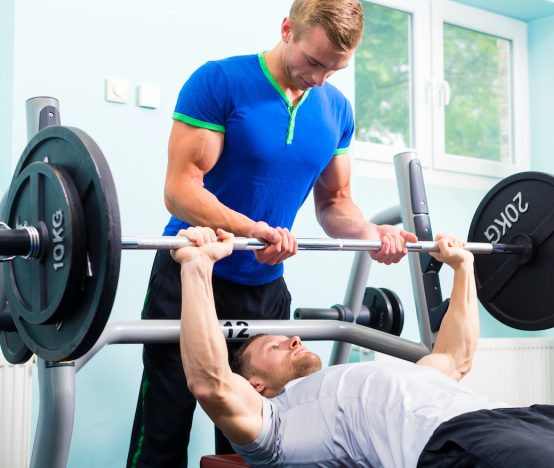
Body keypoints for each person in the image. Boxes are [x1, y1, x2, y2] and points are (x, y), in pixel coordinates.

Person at [127, 1, 418, 466]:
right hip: (192, 276)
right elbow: (180, 189)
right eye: (315, 62)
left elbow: (335, 203)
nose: (321, 78)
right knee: (165, 423)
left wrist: (370, 232)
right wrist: (252, 229)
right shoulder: (220, 82)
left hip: (264, 290)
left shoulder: (336, 110)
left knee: (256, 433)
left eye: (335, 69)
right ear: (287, 29)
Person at [174, 226, 554, 468]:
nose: (293, 337)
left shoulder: (385, 376)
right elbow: (210, 383)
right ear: (254, 384)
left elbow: (455, 358)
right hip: (455, 444)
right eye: (273, 346)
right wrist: (196, 267)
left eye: (288, 334)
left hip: (518, 416)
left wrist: (462, 268)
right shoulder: (272, 429)